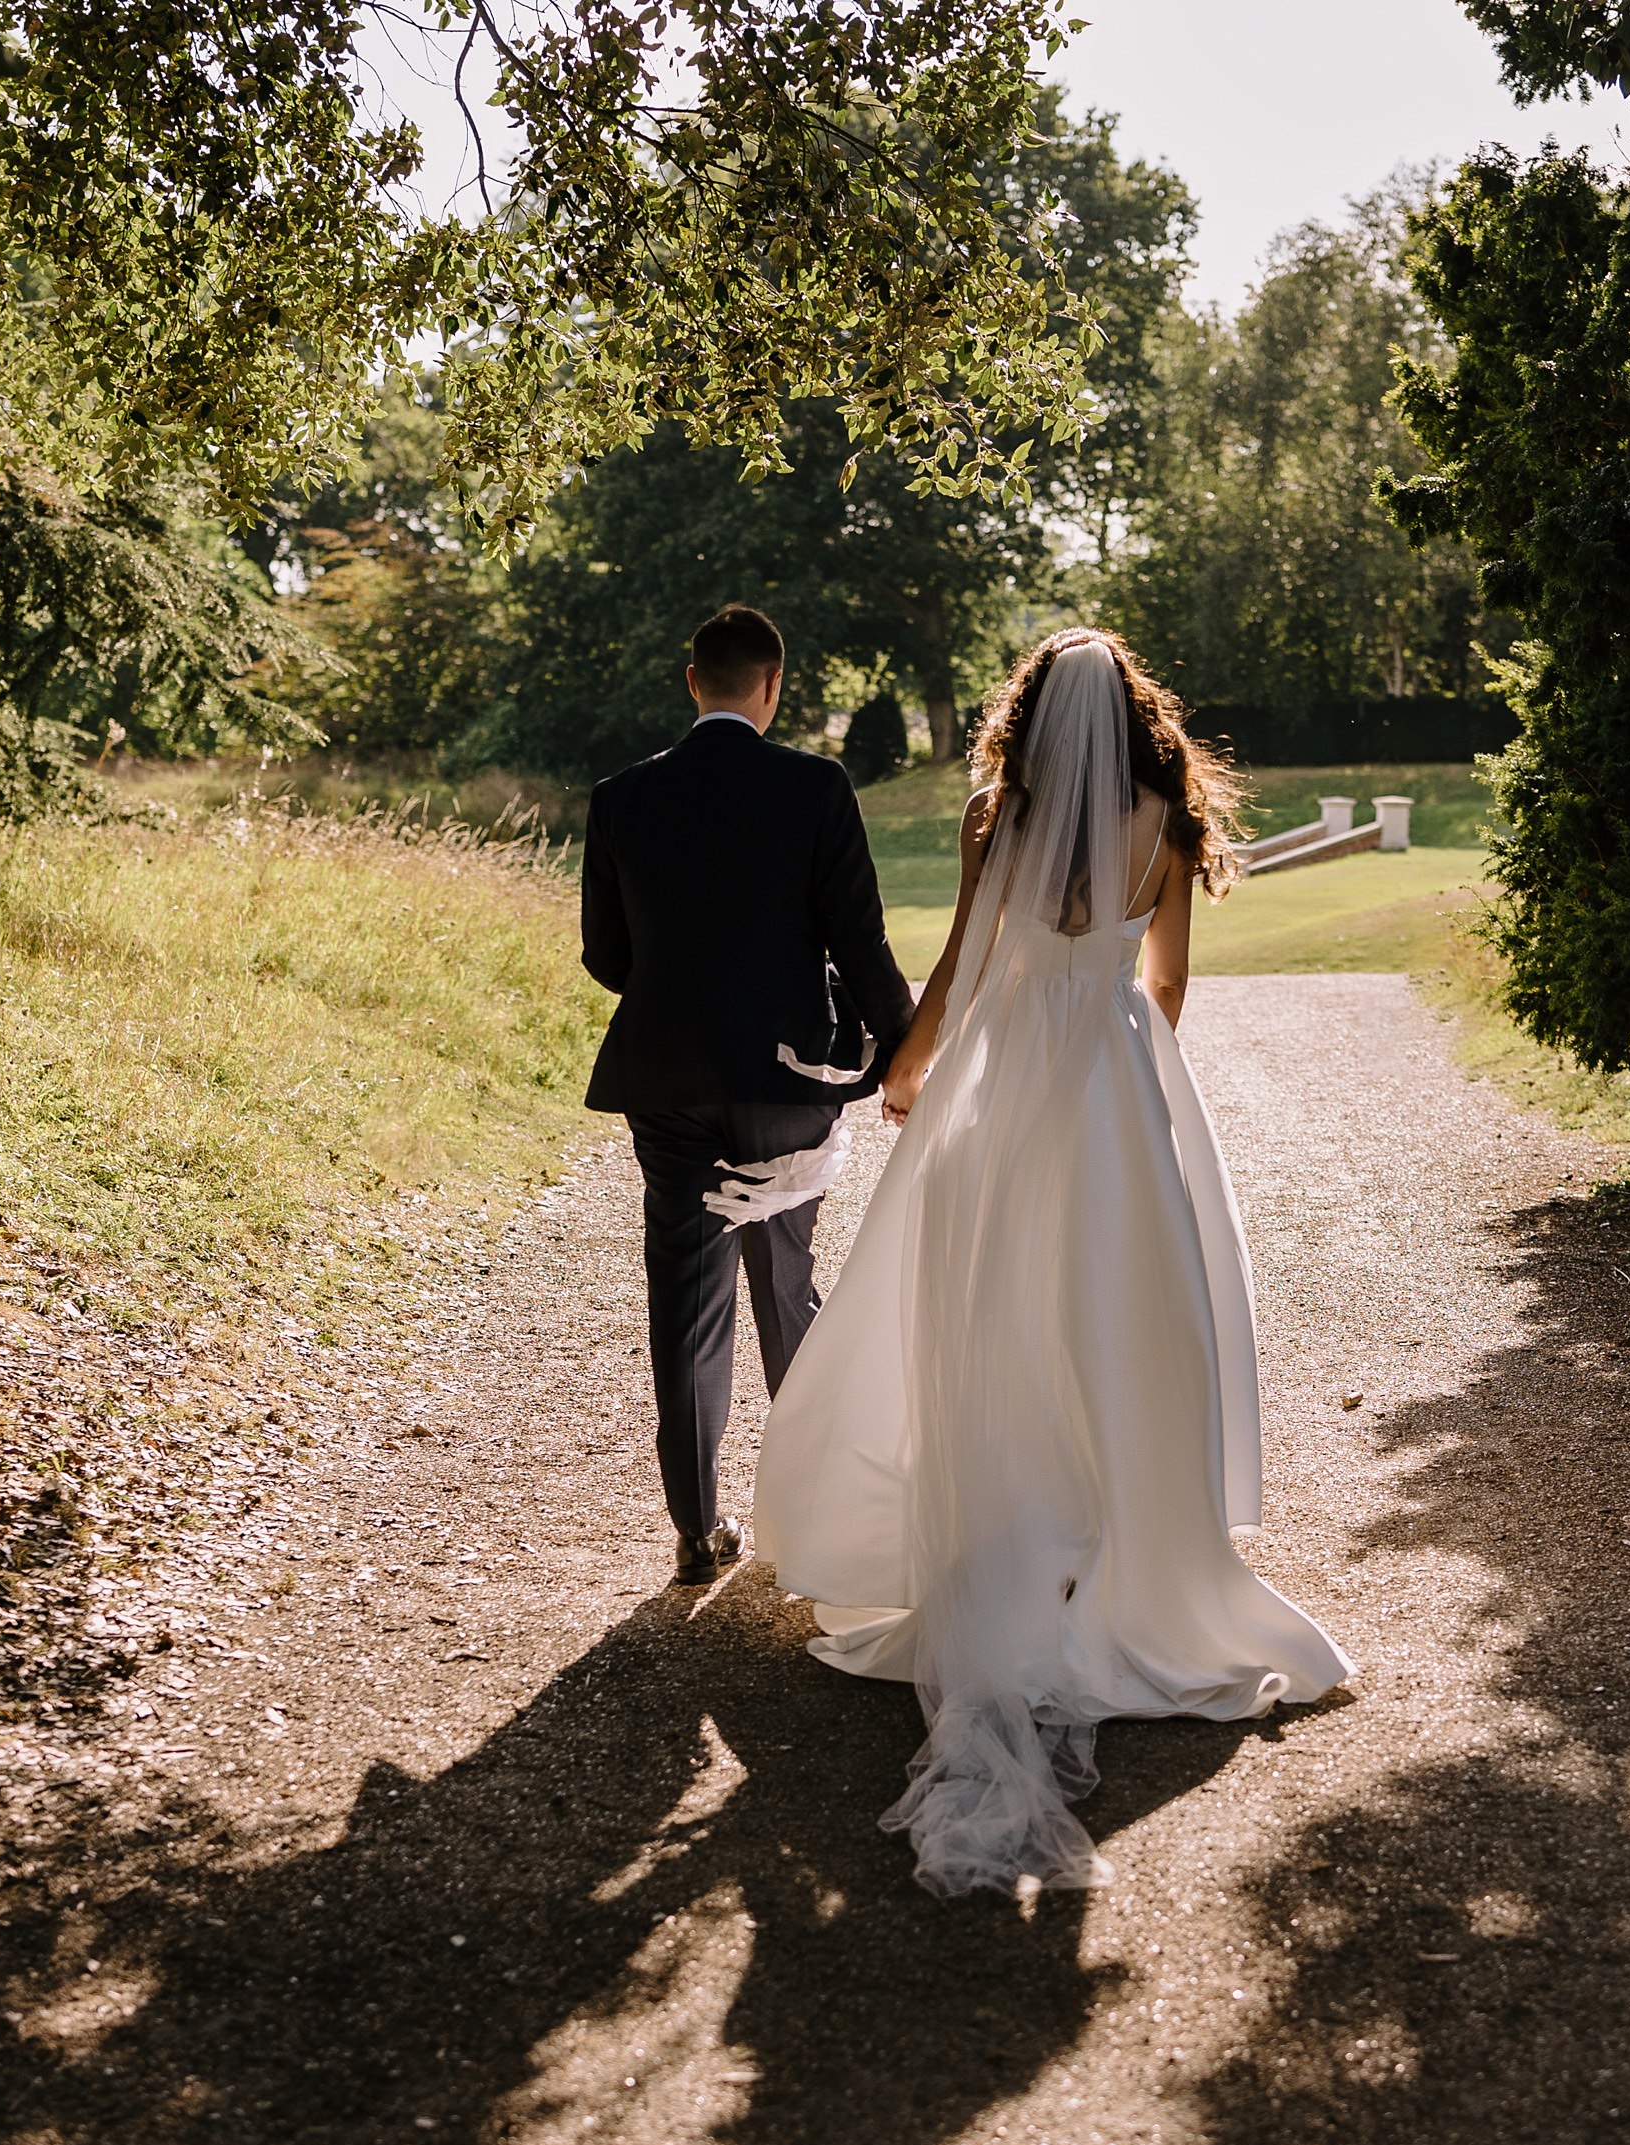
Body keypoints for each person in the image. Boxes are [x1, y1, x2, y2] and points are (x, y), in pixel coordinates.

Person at [753, 628, 1353, 1896]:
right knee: (1124, 1314)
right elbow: (1167, 981)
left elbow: (965, 967)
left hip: (1012, 1071)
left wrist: (911, 1074)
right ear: (1132, 715)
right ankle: (1121, 1550)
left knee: (994, 1310)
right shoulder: (1166, 818)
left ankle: (1005, 1535)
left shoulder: (996, 812)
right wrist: (1126, 1071)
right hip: (1116, 1079)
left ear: (1030, 712)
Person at [580, 604, 913, 1586]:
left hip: (669, 1077)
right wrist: (902, 1053)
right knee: (781, 1281)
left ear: (694, 681)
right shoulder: (814, 785)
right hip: (784, 1081)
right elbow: (860, 941)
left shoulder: (622, 796)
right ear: (771, 685)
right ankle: (809, 1524)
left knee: (682, 1302)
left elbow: (607, 956)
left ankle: (695, 1529)